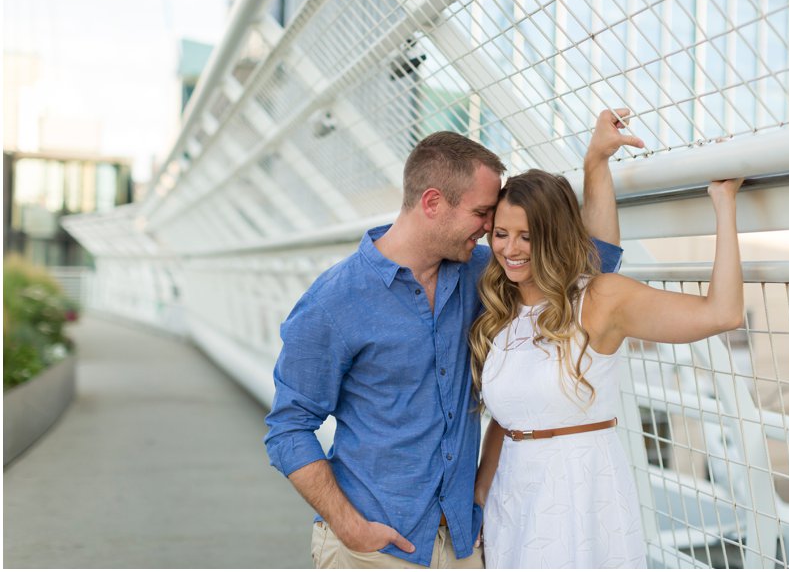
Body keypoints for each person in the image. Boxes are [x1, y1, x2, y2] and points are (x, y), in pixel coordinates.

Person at [264, 120, 642, 568]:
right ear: (432, 203)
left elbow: (592, 263)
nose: (490, 228)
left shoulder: (485, 273)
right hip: (372, 549)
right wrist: (350, 528)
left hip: (464, 544)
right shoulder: (333, 302)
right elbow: (288, 428)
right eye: (482, 213)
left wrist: (595, 162)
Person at [470, 110, 745, 568]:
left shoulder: (600, 299)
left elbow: (724, 312)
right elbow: (505, 419)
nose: (509, 249)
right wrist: (478, 499)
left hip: (581, 495)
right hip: (511, 499)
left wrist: (724, 204)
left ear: (554, 235)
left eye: (527, 236)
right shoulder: (502, 307)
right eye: (500, 234)